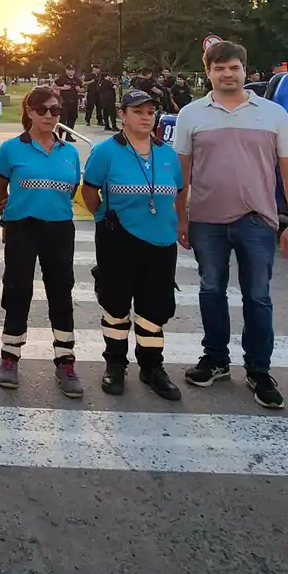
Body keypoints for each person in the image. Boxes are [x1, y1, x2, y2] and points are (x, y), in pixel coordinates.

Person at [174, 40, 288, 410]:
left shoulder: (273, 114)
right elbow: (180, 172)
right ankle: (215, 359)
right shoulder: (191, 114)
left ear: (245, 71)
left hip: (257, 221)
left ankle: (259, 370)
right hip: (206, 221)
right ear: (208, 73)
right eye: (219, 69)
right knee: (211, 291)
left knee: (258, 298)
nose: (227, 74)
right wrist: (180, 217)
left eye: (233, 68)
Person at [82, 89, 187, 400]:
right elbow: (90, 192)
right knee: (115, 304)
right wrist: (103, 216)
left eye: (150, 111)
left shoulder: (167, 154)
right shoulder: (105, 152)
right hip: (119, 239)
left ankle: (152, 366)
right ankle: (115, 364)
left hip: (161, 240)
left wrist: (181, 222)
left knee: (155, 306)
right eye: (138, 111)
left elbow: (179, 192)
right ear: (123, 115)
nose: (145, 116)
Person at [0, 86, 83, 399]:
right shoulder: (11, 148)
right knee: (18, 289)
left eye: (55, 110)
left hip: (58, 229)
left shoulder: (69, 152)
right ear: (29, 111)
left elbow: (71, 190)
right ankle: (10, 356)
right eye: (42, 110)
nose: (49, 116)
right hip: (22, 228)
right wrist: (9, 211)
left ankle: (65, 360)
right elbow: (0, 184)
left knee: (61, 291)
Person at [54, 64, 80, 138]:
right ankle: (60, 136)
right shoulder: (62, 78)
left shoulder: (76, 79)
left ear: (74, 71)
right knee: (63, 118)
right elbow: (53, 86)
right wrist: (63, 88)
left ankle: (69, 135)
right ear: (66, 70)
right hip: (64, 102)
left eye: (72, 70)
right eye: (69, 70)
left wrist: (80, 89)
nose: (71, 71)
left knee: (73, 117)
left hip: (74, 101)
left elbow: (82, 87)